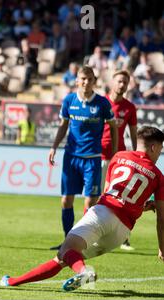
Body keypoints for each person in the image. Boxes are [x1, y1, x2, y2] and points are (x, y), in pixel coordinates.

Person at [1, 126, 164, 291]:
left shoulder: (119, 156)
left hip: (103, 214)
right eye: (160, 150)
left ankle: (85, 272)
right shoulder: (158, 176)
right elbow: (161, 217)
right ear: (153, 147)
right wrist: (161, 248)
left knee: (66, 250)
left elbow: (109, 193)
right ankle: (13, 281)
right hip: (121, 233)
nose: (159, 154)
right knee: (64, 258)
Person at [48, 66, 118, 250]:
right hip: (71, 157)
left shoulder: (102, 103)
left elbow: (113, 126)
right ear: (77, 80)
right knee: (66, 200)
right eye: (82, 79)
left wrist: (115, 150)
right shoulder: (69, 100)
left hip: (92, 158)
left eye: (89, 79)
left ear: (94, 81)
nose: (86, 82)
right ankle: (67, 240)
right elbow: (63, 126)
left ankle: (83, 241)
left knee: (90, 201)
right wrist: (54, 147)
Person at [101, 70, 138, 251]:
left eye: (125, 82)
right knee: (98, 196)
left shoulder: (130, 108)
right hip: (98, 155)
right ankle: (95, 232)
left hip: (119, 159)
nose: (122, 85)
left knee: (120, 197)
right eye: (119, 81)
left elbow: (133, 134)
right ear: (112, 82)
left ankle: (123, 237)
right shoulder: (101, 103)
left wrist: (138, 155)